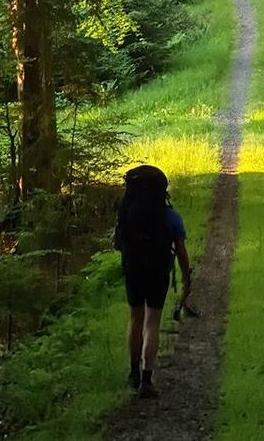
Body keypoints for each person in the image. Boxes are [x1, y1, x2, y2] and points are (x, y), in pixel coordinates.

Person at [114, 164, 191, 399]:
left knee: (135, 318)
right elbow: (181, 251)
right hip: (158, 272)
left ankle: (133, 373)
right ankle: (147, 379)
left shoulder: (126, 214)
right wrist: (187, 277)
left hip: (133, 270)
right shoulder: (170, 217)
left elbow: (118, 243)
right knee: (152, 322)